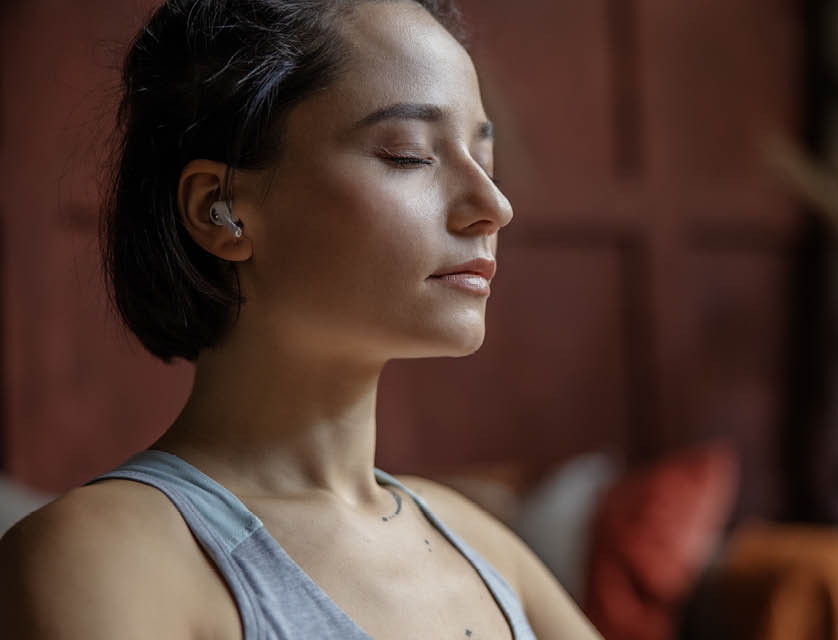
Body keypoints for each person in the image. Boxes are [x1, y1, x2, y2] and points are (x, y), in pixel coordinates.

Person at [0, 1, 603, 638]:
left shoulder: (481, 545)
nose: (494, 205)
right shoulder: (106, 556)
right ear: (219, 208)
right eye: (408, 155)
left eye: (486, 159)